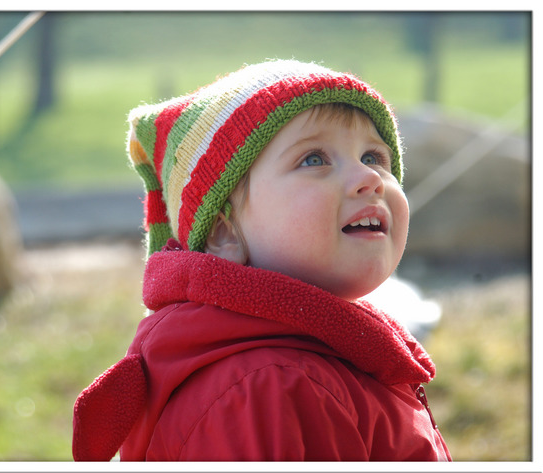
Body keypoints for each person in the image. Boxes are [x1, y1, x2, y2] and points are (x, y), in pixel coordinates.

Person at [71, 59, 451, 461]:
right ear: (223, 233)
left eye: (374, 157)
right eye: (314, 159)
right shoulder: (271, 388)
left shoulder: (323, 355)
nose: (369, 178)